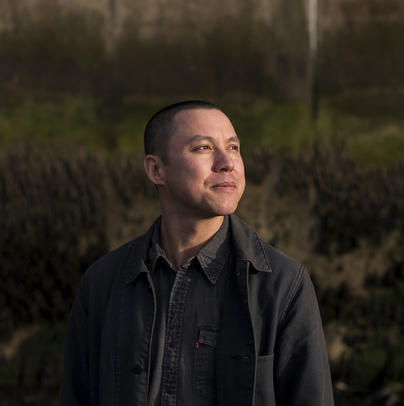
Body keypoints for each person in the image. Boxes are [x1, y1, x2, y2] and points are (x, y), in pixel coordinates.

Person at [59, 101, 334, 406]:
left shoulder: (283, 285)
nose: (227, 162)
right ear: (156, 170)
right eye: (203, 148)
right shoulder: (102, 282)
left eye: (233, 147)